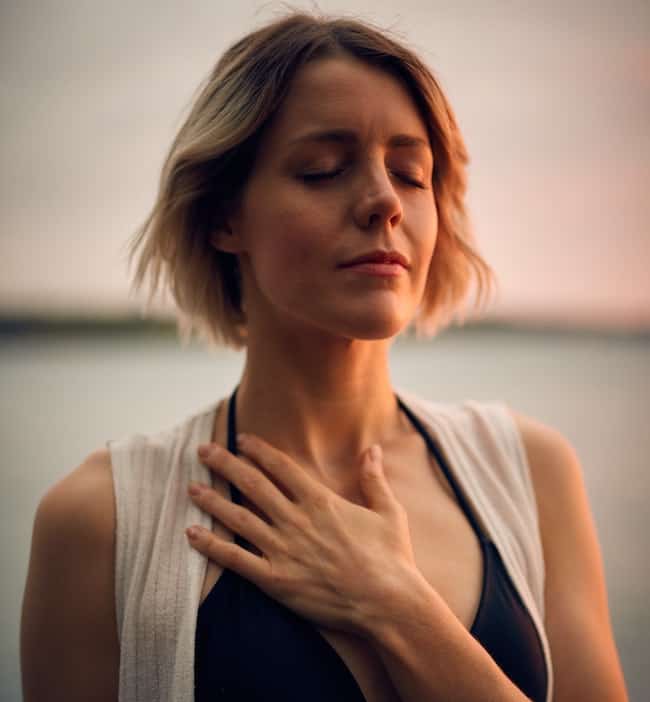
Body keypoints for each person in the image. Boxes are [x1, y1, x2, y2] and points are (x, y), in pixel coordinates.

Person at [20, 10, 628, 702]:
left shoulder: (531, 473)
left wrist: (396, 606)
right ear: (224, 217)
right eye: (322, 170)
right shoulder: (102, 521)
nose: (382, 202)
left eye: (410, 173)